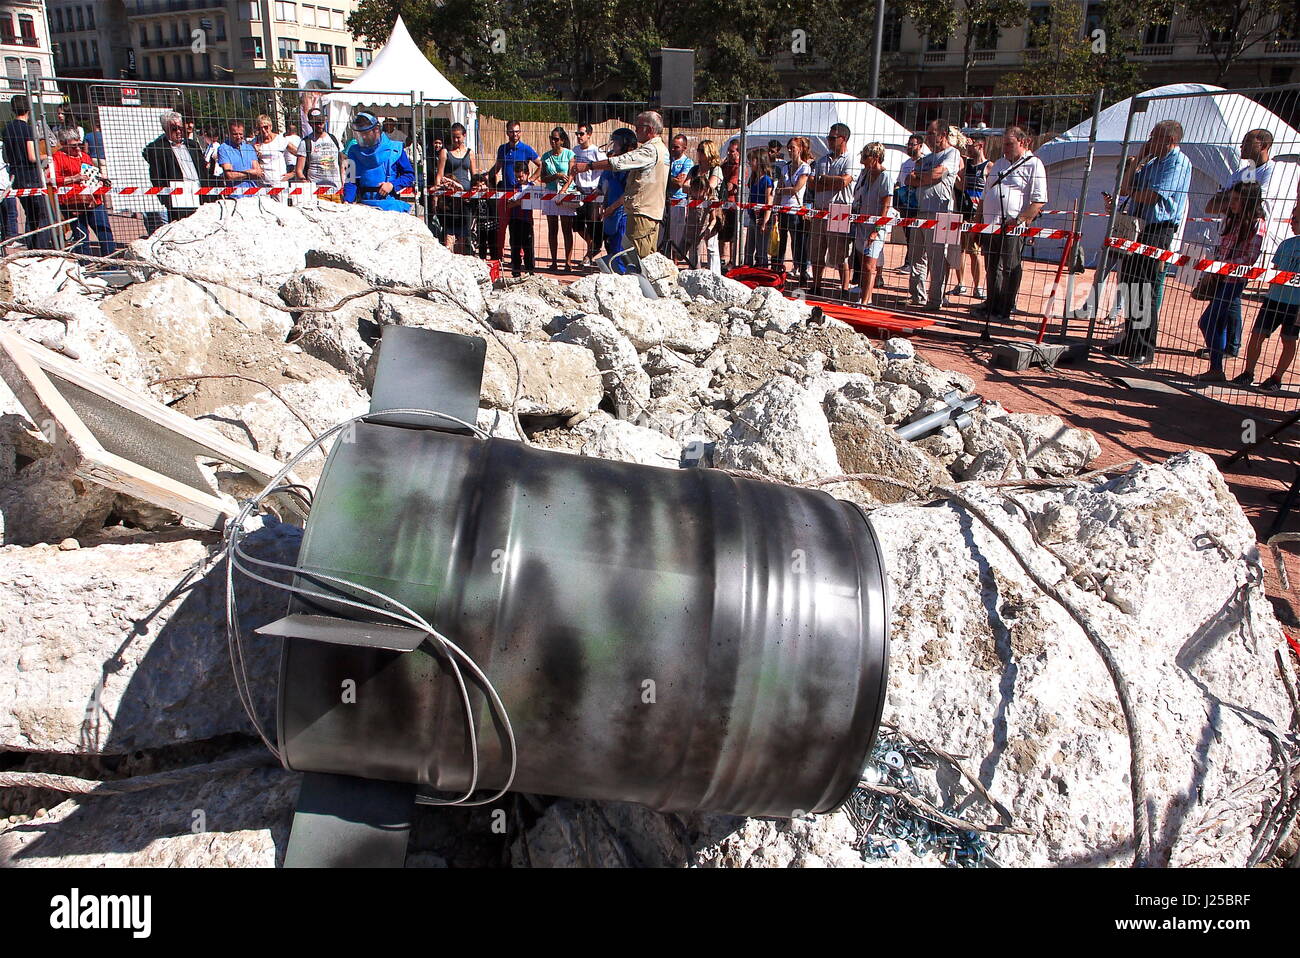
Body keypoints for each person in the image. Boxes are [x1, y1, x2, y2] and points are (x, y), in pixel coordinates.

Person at [1108, 119, 1192, 364]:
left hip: (1158, 229)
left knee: (1145, 287)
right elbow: (1125, 188)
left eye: (1154, 137)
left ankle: (1145, 346)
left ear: (1170, 140)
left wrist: (1134, 192)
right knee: (1129, 282)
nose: (1149, 141)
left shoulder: (1178, 163)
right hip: (1138, 226)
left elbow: (1152, 196)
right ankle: (1130, 338)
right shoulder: (1152, 162)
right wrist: (1136, 161)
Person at [569, 111, 668, 261]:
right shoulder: (661, 150)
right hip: (649, 212)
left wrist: (589, 166)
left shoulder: (650, 150)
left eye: (638, 127)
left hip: (641, 213)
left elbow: (619, 162)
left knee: (635, 261)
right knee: (645, 260)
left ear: (649, 129)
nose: (636, 130)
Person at [975, 125, 1047, 327]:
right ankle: (992, 303)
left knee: (1009, 267)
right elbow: (984, 196)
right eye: (1004, 144)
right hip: (990, 225)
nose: (1005, 148)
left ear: (1024, 142)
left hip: (1012, 227)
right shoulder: (998, 163)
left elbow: (1039, 201)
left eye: (1009, 144)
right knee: (991, 267)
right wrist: (978, 222)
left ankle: (1005, 306)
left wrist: (1020, 220)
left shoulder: (1034, 165)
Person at [1193, 182, 1265, 383]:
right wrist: (1214, 268)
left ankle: (1217, 366)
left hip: (1234, 279)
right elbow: (1221, 247)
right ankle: (1218, 363)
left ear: (1247, 201)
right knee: (1219, 321)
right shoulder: (1231, 220)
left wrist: (1223, 267)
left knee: (1208, 321)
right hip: (1221, 277)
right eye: (1230, 199)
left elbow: (1250, 257)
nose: (1230, 203)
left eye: (1235, 199)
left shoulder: (1256, 224)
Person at [1233, 205, 1300, 391]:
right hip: (1274, 299)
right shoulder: (1286, 244)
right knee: (1257, 335)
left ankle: (1276, 378)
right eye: (1292, 218)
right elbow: (1275, 272)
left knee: (1288, 340)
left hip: (1296, 304)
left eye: (1296, 219)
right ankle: (1248, 373)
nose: (1292, 222)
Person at [907, 119, 961, 310]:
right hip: (920, 211)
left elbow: (937, 174)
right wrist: (923, 177)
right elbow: (909, 178)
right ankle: (917, 295)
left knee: (937, 257)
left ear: (943, 134)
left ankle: (935, 299)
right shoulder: (928, 157)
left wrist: (921, 176)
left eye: (931, 133)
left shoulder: (952, 154)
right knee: (916, 256)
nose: (928, 137)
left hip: (941, 213)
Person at [52, 128, 116, 256]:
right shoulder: (57, 158)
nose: (78, 149)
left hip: (94, 201)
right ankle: (83, 265)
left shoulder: (85, 156)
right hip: (72, 203)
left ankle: (111, 262)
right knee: (81, 236)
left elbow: (92, 174)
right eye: (73, 146)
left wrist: (101, 179)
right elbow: (52, 180)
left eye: (79, 145)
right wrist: (74, 178)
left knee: (105, 232)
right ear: (64, 144)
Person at [142, 109, 208, 233]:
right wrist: (167, 199)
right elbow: (156, 177)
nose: (178, 131)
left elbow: (203, 171)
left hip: (199, 192)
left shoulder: (192, 145)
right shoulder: (157, 148)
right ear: (165, 129)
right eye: (174, 128)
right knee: (182, 231)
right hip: (178, 194)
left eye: (180, 128)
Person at [809, 122, 854, 297]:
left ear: (844, 139)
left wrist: (824, 180)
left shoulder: (849, 159)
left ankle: (845, 289)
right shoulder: (822, 160)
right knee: (817, 250)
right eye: (829, 137)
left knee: (839, 253)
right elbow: (813, 184)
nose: (829, 140)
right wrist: (830, 182)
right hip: (820, 209)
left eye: (832, 138)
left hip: (839, 210)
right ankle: (816, 285)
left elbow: (844, 182)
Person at [343, 111, 416, 212]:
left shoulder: (395, 149)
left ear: (376, 130)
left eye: (365, 133)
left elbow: (409, 176)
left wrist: (392, 185)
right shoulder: (353, 151)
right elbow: (350, 180)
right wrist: (347, 201)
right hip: (364, 205)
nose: (363, 137)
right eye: (360, 134)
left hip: (389, 205)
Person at [3, 95, 51, 249]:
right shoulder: (27, 129)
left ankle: (31, 248)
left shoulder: (7, 129)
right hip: (30, 175)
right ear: (29, 110)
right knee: (43, 215)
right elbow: (31, 156)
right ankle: (40, 249)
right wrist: (46, 156)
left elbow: (6, 155)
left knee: (31, 214)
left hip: (16, 175)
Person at [950, 132, 992, 299]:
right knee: (958, 250)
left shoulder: (989, 167)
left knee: (974, 252)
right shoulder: (964, 166)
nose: (968, 147)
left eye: (971, 145)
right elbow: (959, 184)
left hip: (977, 215)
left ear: (980, 146)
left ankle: (978, 287)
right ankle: (960, 284)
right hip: (962, 212)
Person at [851, 142, 893, 306]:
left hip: (876, 225)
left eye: (865, 156)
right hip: (862, 222)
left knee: (870, 265)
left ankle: (866, 301)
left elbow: (886, 205)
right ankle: (863, 295)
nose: (862, 159)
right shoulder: (864, 174)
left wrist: (877, 229)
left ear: (875, 158)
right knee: (863, 264)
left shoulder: (885, 176)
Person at [596, 128, 636, 271]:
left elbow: (627, 193)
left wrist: (611, 208)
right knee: (611, 249)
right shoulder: (612, 165)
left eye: (617, 143)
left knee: (620, 253)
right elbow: (604, 186)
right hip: (611, 214)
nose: (614, 146)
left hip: (622, 214)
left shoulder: (630, 166)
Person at [777, 137, 813, 283]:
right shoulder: (785, 167)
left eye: (793, 147)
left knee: (799, 243)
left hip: (796, 210)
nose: (790, 150)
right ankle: (778, 269)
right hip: (783, 209)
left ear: (801, 148)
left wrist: (781, 190)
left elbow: (796, 188)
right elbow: (781, 186)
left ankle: (803, 271)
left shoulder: (805, 168)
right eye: (789, 148)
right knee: (781, 242)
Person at [541, 126, 577, 271]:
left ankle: (568, 262)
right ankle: (554, 261)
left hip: (566, 192)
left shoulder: (569, 154)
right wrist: (556, 176)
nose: (553, 141)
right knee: (552, 229)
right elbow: (543, 177)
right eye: (551, 138)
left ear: (562, 140)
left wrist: (563, 191)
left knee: (567, 229)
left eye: (556, 139)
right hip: (550, 192)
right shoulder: (545, 156)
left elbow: (572, 174)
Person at [435, 122, 475, 252]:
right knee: (449, 234)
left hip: (466, 199)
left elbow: (474, 176)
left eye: (458, 137)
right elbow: (439, 175)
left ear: (464, 136)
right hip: (450, 200)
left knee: (465, 234)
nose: (456, 140)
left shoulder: (470, 153)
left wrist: (475, 194)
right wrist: (436, 196)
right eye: (453, 137)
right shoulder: (445, 153)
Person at [685, 139, 723, 272]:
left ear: (709, 152)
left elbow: (710, 186)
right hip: (695, 209)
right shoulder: (695, 169)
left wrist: (696, 188)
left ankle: (715, 273)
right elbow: (685, 186)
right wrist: (697, 189)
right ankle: (694, 269)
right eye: (698, 150)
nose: (699, 153)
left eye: (702, 150)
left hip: (711, 208)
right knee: (694, 243)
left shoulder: (716, 169)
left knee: (711, 243)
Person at [572, 123, 605, 267]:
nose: (579, 137)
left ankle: (590, 254)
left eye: (581, 134)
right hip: (579, 191)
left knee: (593, 224)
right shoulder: (575, 151)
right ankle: (592, 245)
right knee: (578, 225)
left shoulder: (596, 151)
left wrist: (599, 187)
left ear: (589, 135)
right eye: (577, 134)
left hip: (593, 192)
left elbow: (605, 167)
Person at [293, 107, 343, 197]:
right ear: (310, 124)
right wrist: (305, 183)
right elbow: (299, 170)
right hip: (316, 192)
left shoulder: (334, 139)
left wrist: (344, 185)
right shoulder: (305, 142)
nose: (319, 125)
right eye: (316, 123)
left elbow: (341, 164)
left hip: (336, 191)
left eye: (321, 122)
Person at [894, 134, 924, 271]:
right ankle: (909, 261)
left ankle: (913, 262)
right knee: (908, 233)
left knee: (915, 234)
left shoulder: (924, 162)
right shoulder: (905, 164)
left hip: (918, 203)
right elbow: (900, 182)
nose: (910, 147)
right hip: (905, 203)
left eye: (913, 144)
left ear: (920, 146)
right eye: (909, 144)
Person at [504, 161, 538, 276]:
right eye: (516, 176)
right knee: (515, 247)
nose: (519, 179)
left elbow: (534, 203)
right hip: (514, 220)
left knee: (528, 247)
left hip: (527, 221)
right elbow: (508, 204)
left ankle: (530, 271)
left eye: (521, 176)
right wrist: (520, 202)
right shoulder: (513, 187)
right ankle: (516, 272)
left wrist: (518, 202)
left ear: (527, 174)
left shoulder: (532, 187)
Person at [743, 148, 774, 268]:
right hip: (752, 217)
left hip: (762, 219)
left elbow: (768, 202)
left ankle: (762, 270)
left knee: (761, 250)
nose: (750, 163)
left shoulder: (766, 180)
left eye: (752, 160)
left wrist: (765, 221)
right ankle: (748, 270)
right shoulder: (754, 179)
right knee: (748, 248)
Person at [663, 133, 692, 258]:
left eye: (676, 147)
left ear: (684, 147)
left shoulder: (687, 162)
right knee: (664, 233)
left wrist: (666, 178)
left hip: (679, 201)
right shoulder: (667, 160)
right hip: (665, 200)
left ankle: (675, 260)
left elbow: (681, 183)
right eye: (672, 147)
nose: (673, 149)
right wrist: (672, 179)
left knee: (676, 235)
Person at [489, 120, 539, 190]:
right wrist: (487, 177)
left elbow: (542, 165)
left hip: (521, 192)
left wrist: (531, 179)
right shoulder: (502, 149)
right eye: (511, 132)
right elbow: (497, 167)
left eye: (517, 131)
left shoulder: (526, 149)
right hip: (505, 191)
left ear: (520, 132)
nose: (515, 134)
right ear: (507, 133)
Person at [251, 115, 290, 199]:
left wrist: (293, 173)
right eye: (260, 128)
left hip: (278, 183)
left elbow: (300, 154)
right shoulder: (254, 142)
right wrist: (254, 152)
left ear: (271, 126)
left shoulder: (280, 140)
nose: (263, 130)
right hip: (262, 184)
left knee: (281, 210)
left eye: (265, 127)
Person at [217, 120, 262, 191]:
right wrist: (250, 173)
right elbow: (230, 175)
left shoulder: (249, 148)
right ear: (229, 133)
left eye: (240, 134)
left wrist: (240, 174)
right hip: (235, 194)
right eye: (235, 134)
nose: (238, 137)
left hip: (254, 193)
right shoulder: (223, 148)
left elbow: (258, 173)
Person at [720, 137, 741, 265]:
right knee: (721, 233)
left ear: (738, 152)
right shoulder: (725, 165)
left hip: (733, 205)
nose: (729, 153)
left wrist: (722, 185)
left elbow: (730, 186)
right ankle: (722, 258)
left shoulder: (739, 167)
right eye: (728, 151)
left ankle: (733, 260)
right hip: (723, 203)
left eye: (732, 151)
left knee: (733, 235)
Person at [469, 172, 497, 260]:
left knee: (493, 245)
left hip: (492, 223)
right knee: (482, 245)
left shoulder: (490, 194)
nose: (481, 187)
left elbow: (493, 207)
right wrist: (474, 195)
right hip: (480, 224)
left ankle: (495, 263)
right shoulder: (475, 197)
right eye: (479, 185)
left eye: (483, 184)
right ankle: (482, 261)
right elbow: (473, 208)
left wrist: (487, 194)